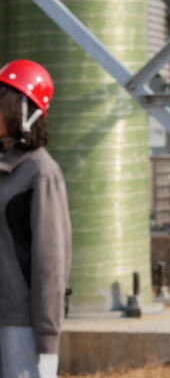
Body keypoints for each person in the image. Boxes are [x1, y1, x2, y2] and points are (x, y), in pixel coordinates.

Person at [0, 60, 72, 378]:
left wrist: (47, 336)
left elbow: (51, 263)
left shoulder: (41, 173)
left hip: (20, 325)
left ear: (23, 111)